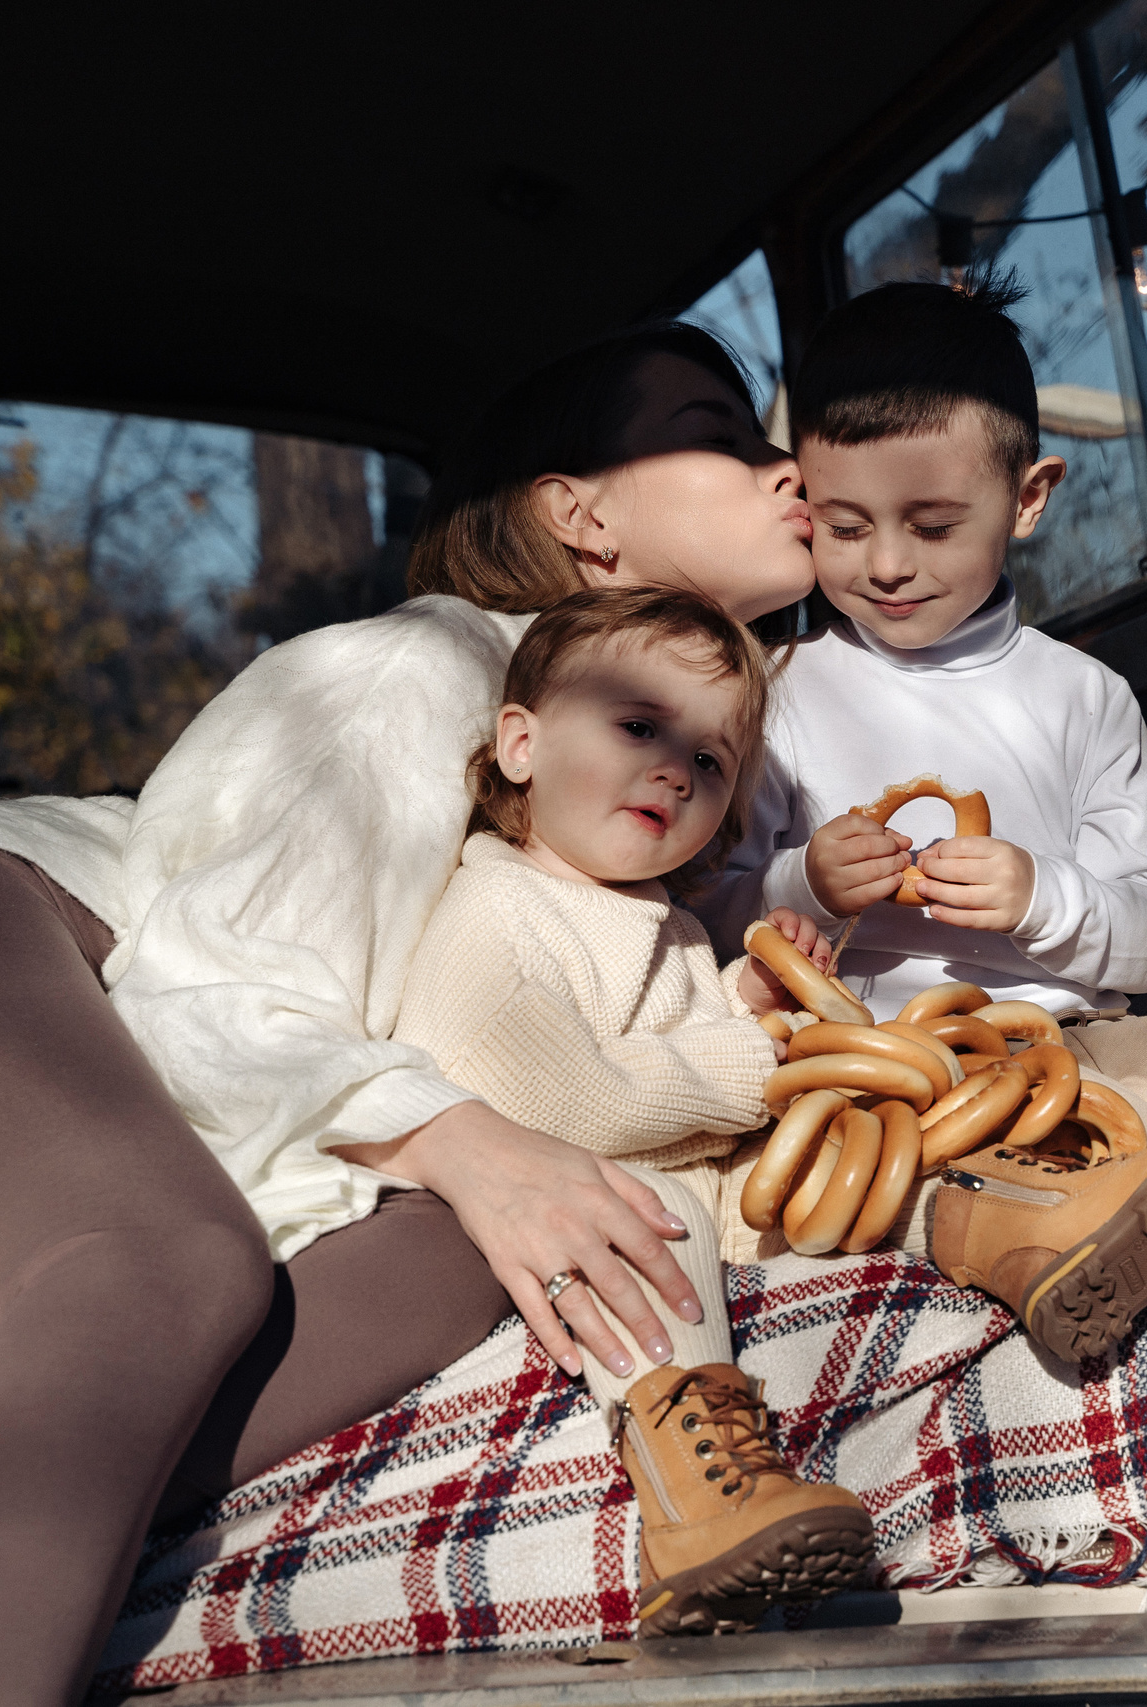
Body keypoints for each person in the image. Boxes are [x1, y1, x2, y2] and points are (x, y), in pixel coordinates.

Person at [0, 320, 814, 1707]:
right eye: (720, 437)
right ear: (581, 516)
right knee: (171, 1262)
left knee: (472, 1244)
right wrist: (467, 1137)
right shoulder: (425, 665)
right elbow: (209, 972)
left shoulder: (688, 804)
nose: (786, 467)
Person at [711, 280, 1147, 1360]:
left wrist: (1043, 896)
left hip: (1084, 1037)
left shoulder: (1083, 697)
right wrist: (804, 884)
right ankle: (1064, 1225)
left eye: (933, 526)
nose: (885, 563)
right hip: (887, 1066)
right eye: (844, 527)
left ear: (1028, 498)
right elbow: (708, 914)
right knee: (1139, 1171)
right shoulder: (778, 692)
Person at [390, 586, 871, 1637]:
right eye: (640, 727)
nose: (676, 771)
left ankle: (1002, 1221)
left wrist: (751, 998)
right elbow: (567, 1098)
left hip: (695, 1172)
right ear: (520, 744)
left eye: (709, 760)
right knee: (652, 1210)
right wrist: (756, 1056)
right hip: (543, 1198)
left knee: (848, 1155)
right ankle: (697, 1495)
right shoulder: (497, 908)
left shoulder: (667, 921)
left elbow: (678, 1044)